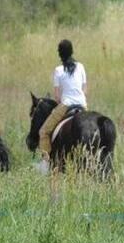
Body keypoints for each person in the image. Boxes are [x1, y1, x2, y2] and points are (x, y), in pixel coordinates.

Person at [35, 39, 87, 174]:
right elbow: (84, 89)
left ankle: (45, 164)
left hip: (66, 105)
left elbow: (57, 97)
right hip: (82, 104)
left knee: (44, 132)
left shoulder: (58, 70)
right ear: (72, 51)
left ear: (60, 54)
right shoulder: (81, 66)